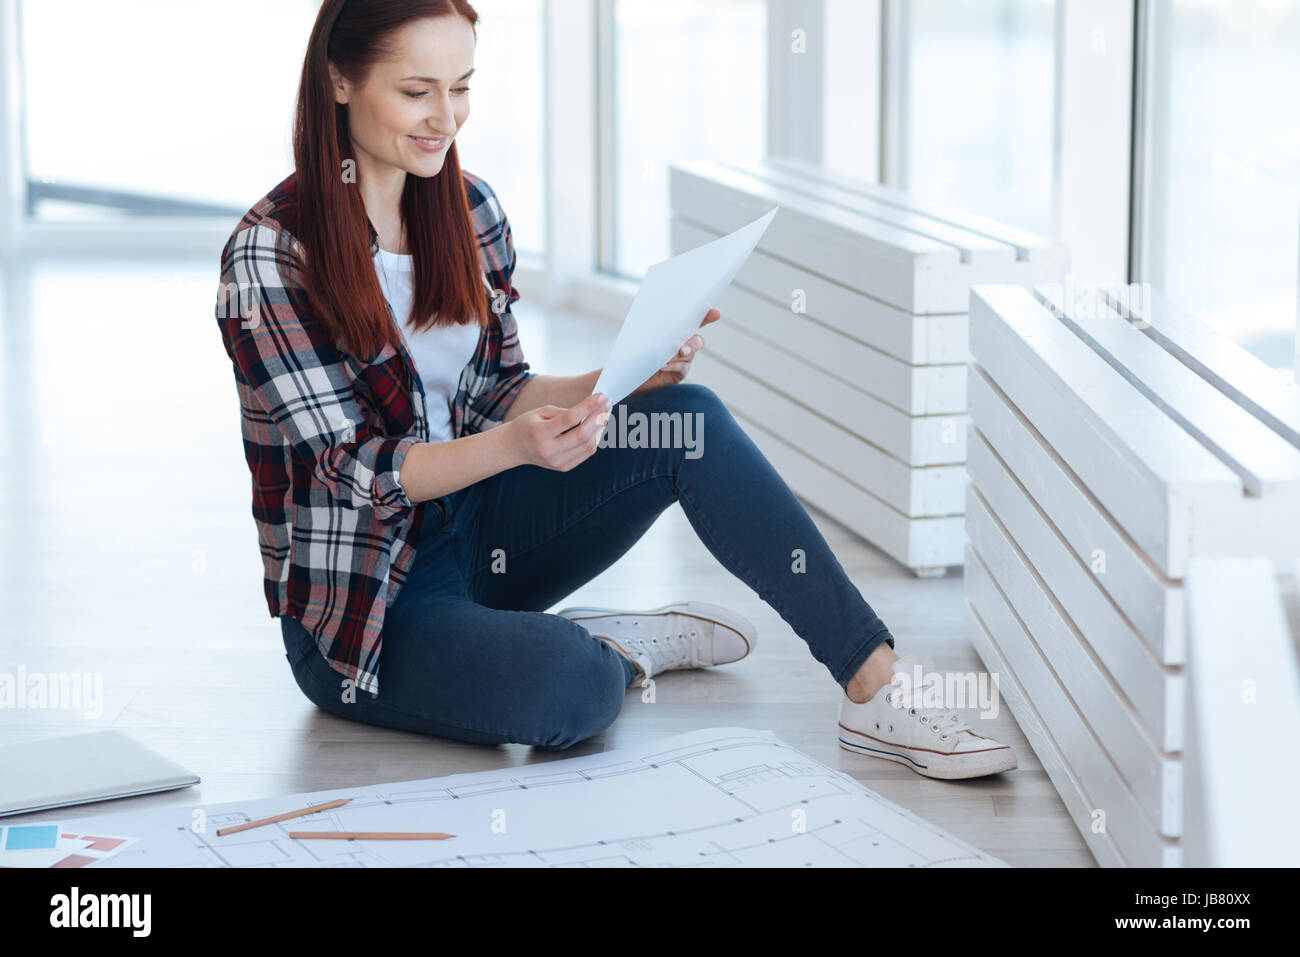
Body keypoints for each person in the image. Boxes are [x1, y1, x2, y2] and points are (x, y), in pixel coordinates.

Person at [213, 0, 1016, 780]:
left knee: (685, 421)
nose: (445, 119)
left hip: (479, 527)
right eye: (417, 92)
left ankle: (875, 683)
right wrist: (513, 448)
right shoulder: (270, 255)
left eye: (461, 87)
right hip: (366, 609)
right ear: (340, 80)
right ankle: (612, 647)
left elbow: (500, 389)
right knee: (574, 689)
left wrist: (624, 381)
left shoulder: (469, 208)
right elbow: (352, 467)